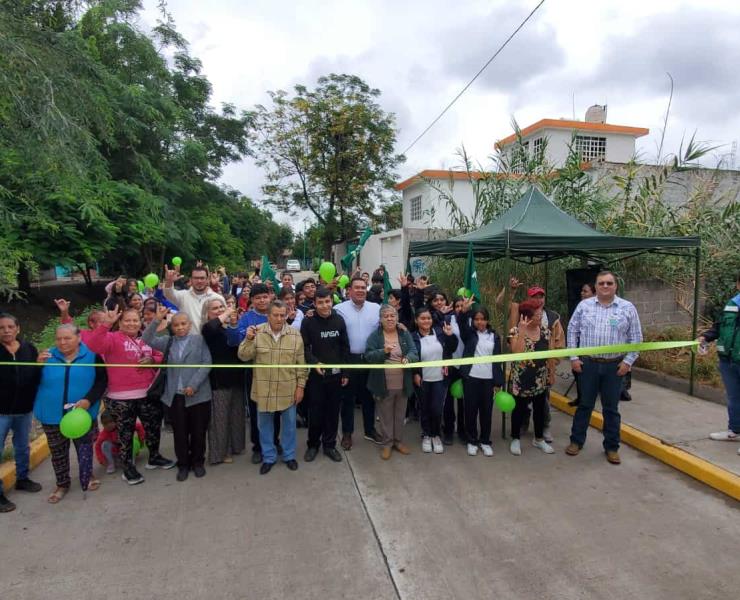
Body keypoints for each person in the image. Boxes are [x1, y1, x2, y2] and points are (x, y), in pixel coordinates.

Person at [86, 306, 175, 485]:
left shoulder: (146, 339)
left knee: (153, 428)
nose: (132, 324)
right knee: (125, 434)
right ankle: (128, 468)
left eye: (135, 320)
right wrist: (106, 325)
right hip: (120, 397)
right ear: (119, 322)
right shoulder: (111, 338)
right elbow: (93, 345)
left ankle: (154, 457)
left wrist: (153, 360)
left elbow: (163, 356)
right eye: (127, 320)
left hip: (147, 393)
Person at [566, 270, 643, 465]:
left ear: (616, 286)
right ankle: (576, 441)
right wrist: (574, 357)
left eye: (609, 283)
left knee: (611, 409)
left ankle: (611, 447)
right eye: (601, 283)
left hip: (614, 367)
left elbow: (637, 339)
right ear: (596, 286)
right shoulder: (584, 306)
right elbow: (572, 330)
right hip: (588, 365)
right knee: (585, 405)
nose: (605, 286)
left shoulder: (627, 308)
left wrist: (628, 362)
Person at [34, 324, 107, 502]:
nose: (62, 342)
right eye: (59, 339)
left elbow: (101, 381)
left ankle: (87, 476)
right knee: (58, 452)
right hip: (51, 414)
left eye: (67, 338)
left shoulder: (92, 355)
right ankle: (62, 483)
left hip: (81, 414)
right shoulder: (46, 356)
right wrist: (37, 366)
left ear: (79, 338)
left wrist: (88, 400)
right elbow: (31, 381)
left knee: (84, 448)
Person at [142, 307, 212, 481]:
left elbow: (207, 363)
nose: (180, 327)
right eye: (176, 325)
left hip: (198, 395)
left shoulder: (199, 340)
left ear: (189, 325)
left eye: (183, 324)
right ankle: (183, 464)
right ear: (171, 327)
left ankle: (198, 462)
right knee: (180, 433)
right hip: (175, 396)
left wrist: (194, 385)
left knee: (198, 432)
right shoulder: (168, 342)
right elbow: (146, 339)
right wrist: (156, 320)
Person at [238, 300, 307, 475]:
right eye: (275, 315)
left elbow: (301, 364)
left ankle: (289, 456)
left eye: (282, 315)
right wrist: (248, 339)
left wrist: (301, 387)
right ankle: (268, 457)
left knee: (290, 426)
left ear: (286, 315)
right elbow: (243, 356)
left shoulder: (295, 335)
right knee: (265, 426)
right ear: (268, 315)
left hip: (288, 389)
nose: (278, 318)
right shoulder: (257, 332)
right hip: (264, 390)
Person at [225, 283, 281, 464]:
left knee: (277, 408)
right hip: (254, 371)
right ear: (252, 300)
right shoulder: (246, 318)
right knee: (258, 410)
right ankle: (258, 446)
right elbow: (234, 342)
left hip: (277, 370)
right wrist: (237, 328)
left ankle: (275, 441)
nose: (262, 300)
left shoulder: (278, 314)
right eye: (257, 298)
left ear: (270, 297)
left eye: (265, 296)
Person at [300, 287, 351, 462]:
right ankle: (313, 445)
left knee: (332, 412)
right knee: (315, 412)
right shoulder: (308, 322)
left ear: (332, 301)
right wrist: (314, 362)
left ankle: (329, 445)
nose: (324, 306)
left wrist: (345, 371)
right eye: (320, 302)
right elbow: (304, 347)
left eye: (327, 301)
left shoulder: (339, 320)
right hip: (316, 376)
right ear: (314, 303)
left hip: (336, 376)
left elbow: (345, 348)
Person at [0, 313, 43, 512]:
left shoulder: (29, 349)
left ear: (18, 329)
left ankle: (23, 479)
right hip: (1, 412)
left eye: (10, 326)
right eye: (2, 328)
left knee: (22, 447)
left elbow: (36, 374)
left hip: (25, 409)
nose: (6, 330)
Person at [364, 305, 418, 459]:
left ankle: (398, 441)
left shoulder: (404, 333)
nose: (389, 318)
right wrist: (384, 351)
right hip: (382, 383)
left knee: (400, 415)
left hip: (403, 382)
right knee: (386, 415)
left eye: (392, 315)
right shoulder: (375, 336)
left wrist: (409, 358)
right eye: (386, 316)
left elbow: (414, 351)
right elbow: (368, 356)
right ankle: (387, 444)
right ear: (380, 320)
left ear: (397, 318)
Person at [335, 276, 382, 449]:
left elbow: (389, 323)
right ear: (349, 290)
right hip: (349, 360)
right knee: (347, 399)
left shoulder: (376, 308)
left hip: (370, 360)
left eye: (363, 287)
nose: (361, 290)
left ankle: (370, 430)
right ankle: (347, 433)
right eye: (357, 287)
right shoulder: (338, 309)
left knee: (369, 398)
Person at [201, 298, 246, 466]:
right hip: (219, 380)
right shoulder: (208, 328)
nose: (220, 310)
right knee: (220, 419)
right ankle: (220, 453)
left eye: (221, 306)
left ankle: (236, 446)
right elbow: (211, 328)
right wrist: (226, 312)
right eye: (215, 308)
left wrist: (234, 322)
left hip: (237, 378)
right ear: (207, 313)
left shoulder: (231, 326)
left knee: (236, 415)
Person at [508, 300, 556, 455]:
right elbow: (516, 353)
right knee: (519, 410)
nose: (540, 316)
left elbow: (550, 355)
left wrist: (551, 373)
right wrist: (522, 331)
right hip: (521, 379)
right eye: (537, 314)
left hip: (540, 379)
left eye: (541, 314)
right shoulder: (515, 331)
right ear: (526, 316)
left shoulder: (546, 332)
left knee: (540, 409)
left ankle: (539, 438)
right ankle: (515, 438)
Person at [458, 298, 505, 457]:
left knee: (486, 412)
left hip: (488, 380)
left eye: (483, 319)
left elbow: (497, 360)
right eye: (477, 319)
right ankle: (472, 441)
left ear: (487, 320)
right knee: (470, 411)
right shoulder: (469, 334)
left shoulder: (494, 336)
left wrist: (498, 382)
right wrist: (464, 312)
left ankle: (485, 441)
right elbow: (461, 323)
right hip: (471, 378)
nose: (480, 322)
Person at [700, 271, 740, 452]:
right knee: (733, 399)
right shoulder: (731, 304)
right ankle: (735, 431)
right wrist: (705, 337)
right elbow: (719, 326)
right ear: (738, 284)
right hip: (728, 361)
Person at [411, 307, 457, 454]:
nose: (426, 321)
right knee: (424, 408)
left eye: (429, 318)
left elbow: (451, 349)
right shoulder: (412, 337)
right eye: (423, 318)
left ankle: (435, 435)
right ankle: (426, 435)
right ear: (416, 320)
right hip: (423, 378)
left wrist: (450, 336)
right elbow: (412, 357)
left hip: (440, 378)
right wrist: (415, 373)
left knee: (437, 409)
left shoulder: (440, 332)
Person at [163, 264, 225, 334]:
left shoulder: (218, 298)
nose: (199, 281)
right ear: (191, 279)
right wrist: (169, 281)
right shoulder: (183, 296)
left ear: (207, 279)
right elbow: (168, 293)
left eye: (202, 278)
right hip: (189, 343)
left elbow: (224, 321)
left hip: (211, 343)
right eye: (196, 278)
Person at [442, 296, 466, 445]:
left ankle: (463, 431)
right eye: (457, 306)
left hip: (466, 367)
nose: (459, 308)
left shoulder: (471, 321)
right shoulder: (448, 320)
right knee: (448, 402)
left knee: (464, 401)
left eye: (462, 306)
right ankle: (449, 431)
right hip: (451, 365)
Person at [569, 282, 596, 407]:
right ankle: (582, 398)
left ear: (594, 293)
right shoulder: (581, 307)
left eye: (585, 291)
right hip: (581, 345)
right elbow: (573, 329)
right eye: (582, 291)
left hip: (596, 351)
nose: (582, 293)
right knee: (579, 372)